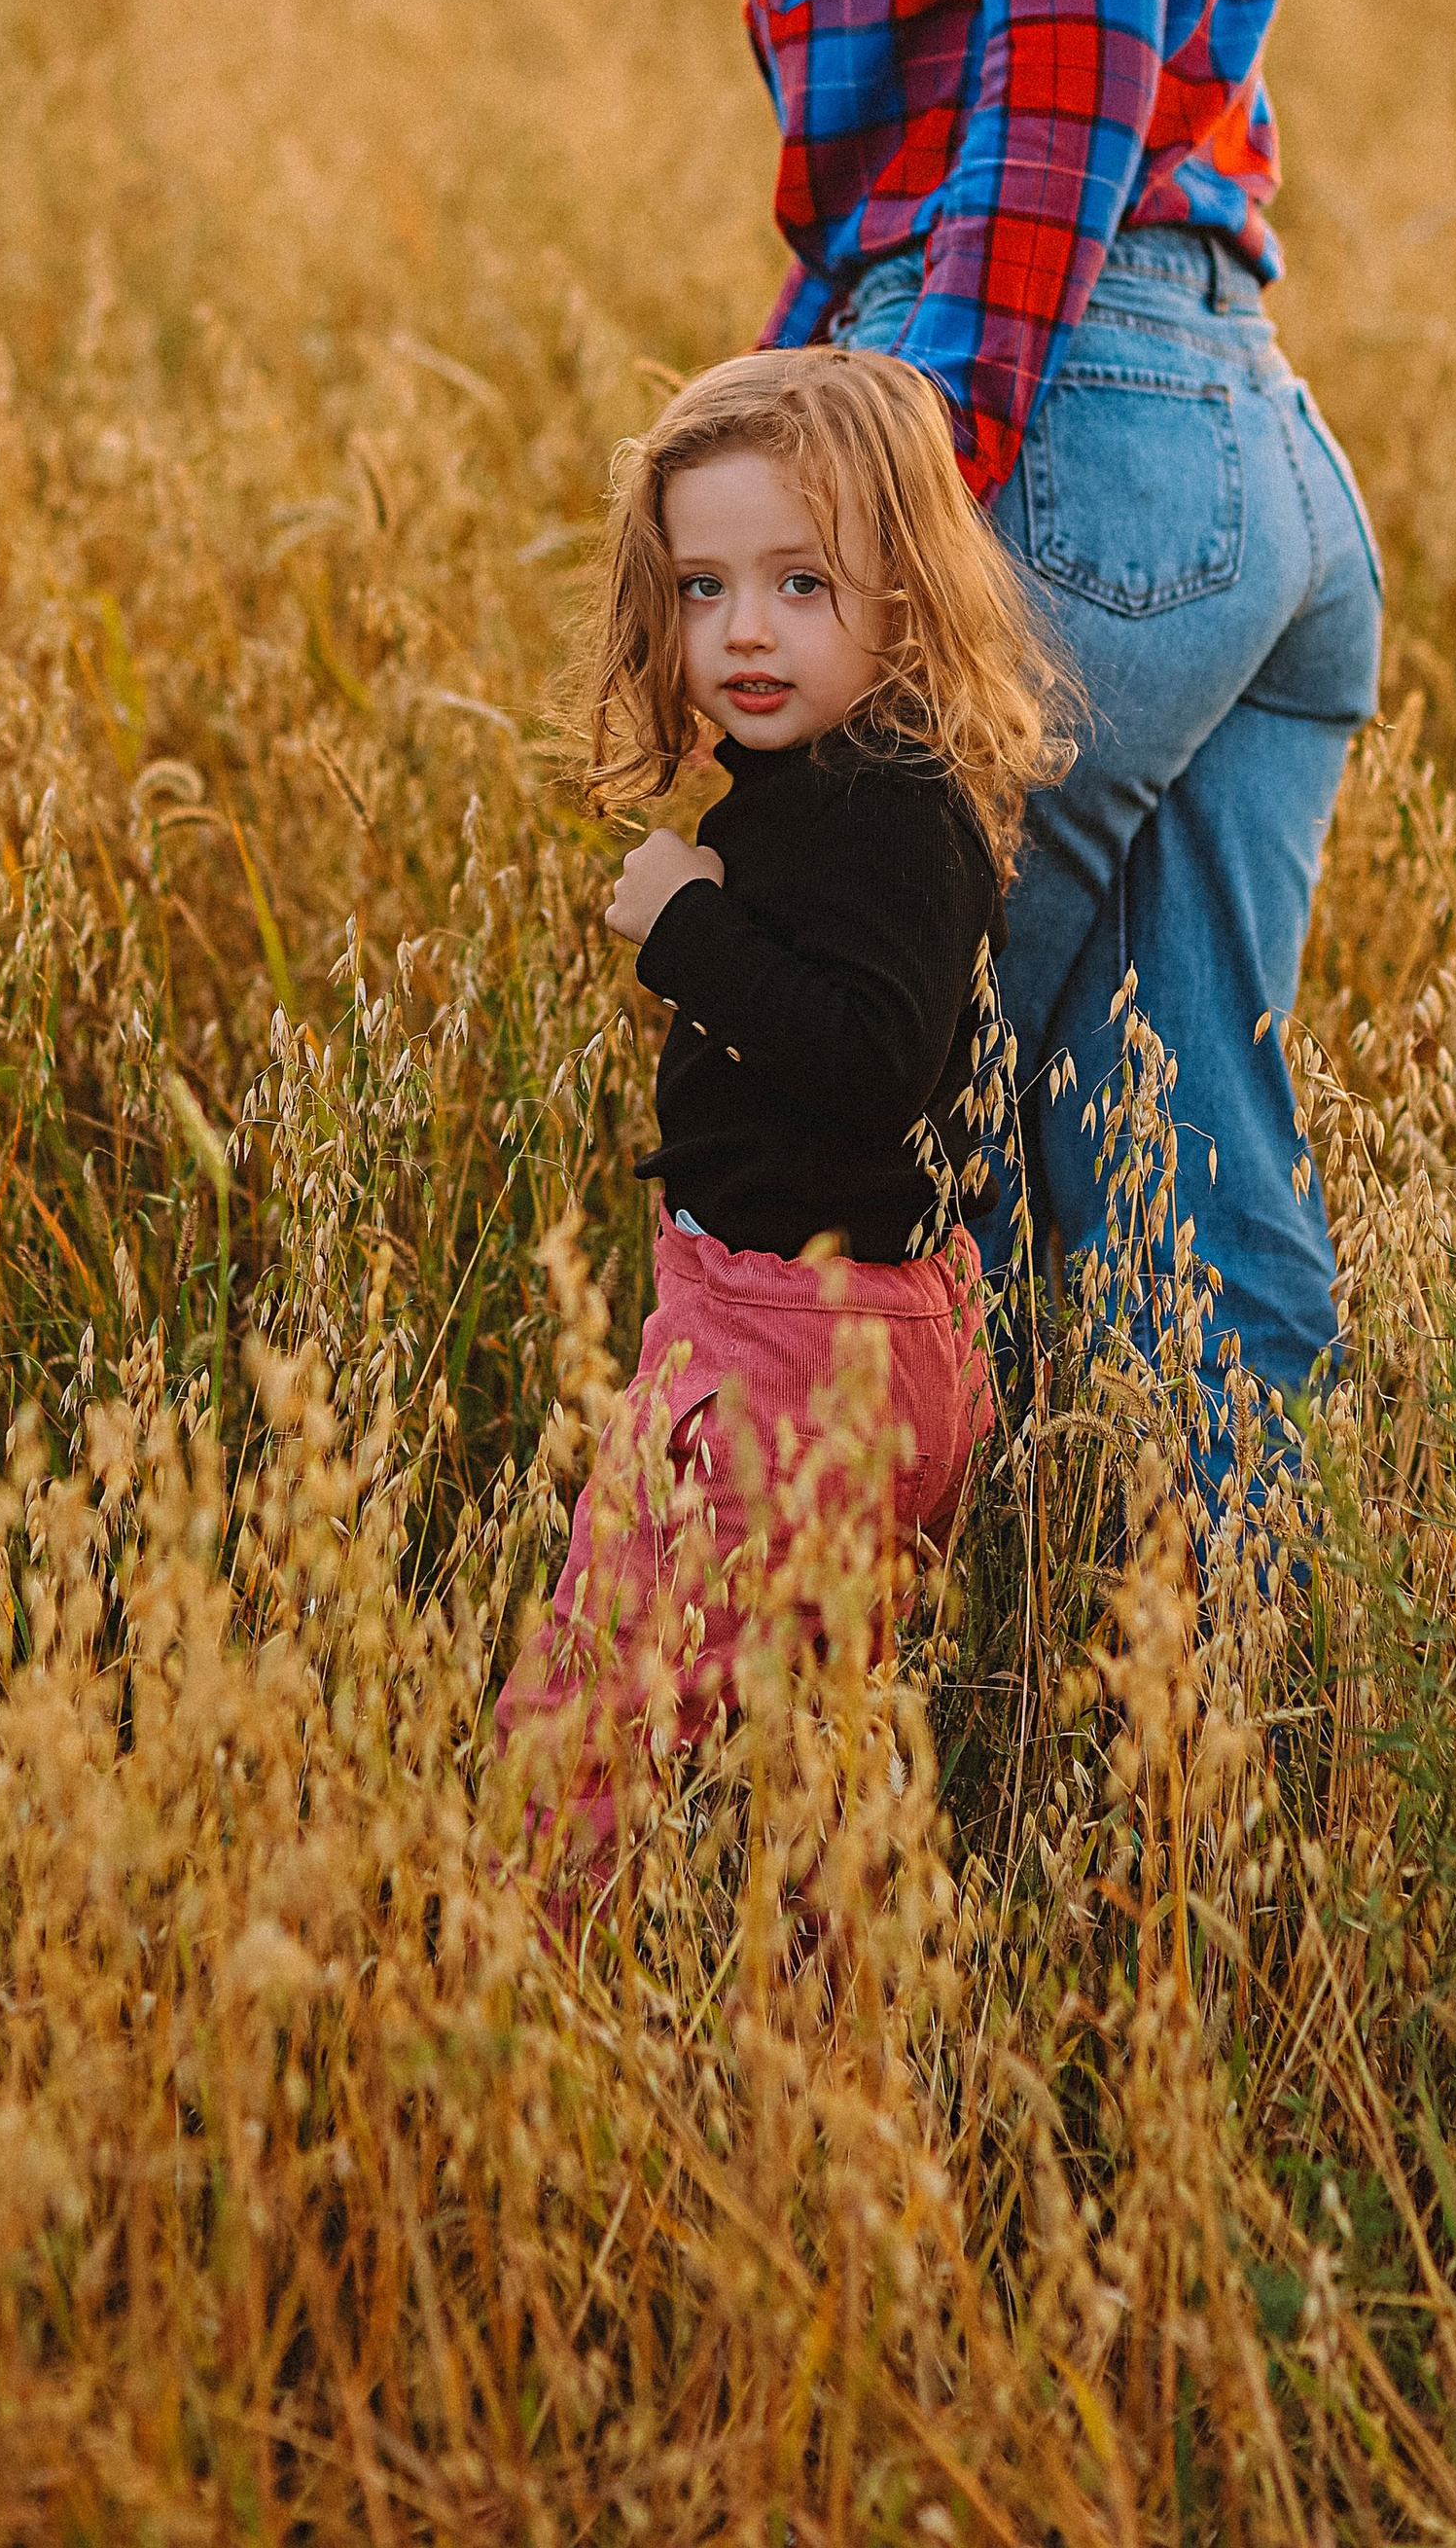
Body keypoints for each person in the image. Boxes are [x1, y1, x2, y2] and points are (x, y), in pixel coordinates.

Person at [579, 0, 1384, 1471]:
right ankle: (1213, 1743)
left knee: (853, 1139)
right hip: (1228, 457)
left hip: (1063, 427)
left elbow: (1057, 91)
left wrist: (866, 493)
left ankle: (760, 1700)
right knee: (1176, 1169)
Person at [495, 345, 1069, 1864]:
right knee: (809, 1732)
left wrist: (689, 925)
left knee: (604, 1705)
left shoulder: (884, 807)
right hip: (871, 1333)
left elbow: (866, 1057)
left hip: (791, 1350)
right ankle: (814, 2033)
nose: (744, 630)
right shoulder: (860, 775)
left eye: (802, 584)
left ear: (908, 594)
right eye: (702, 588)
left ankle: (530, 1974)